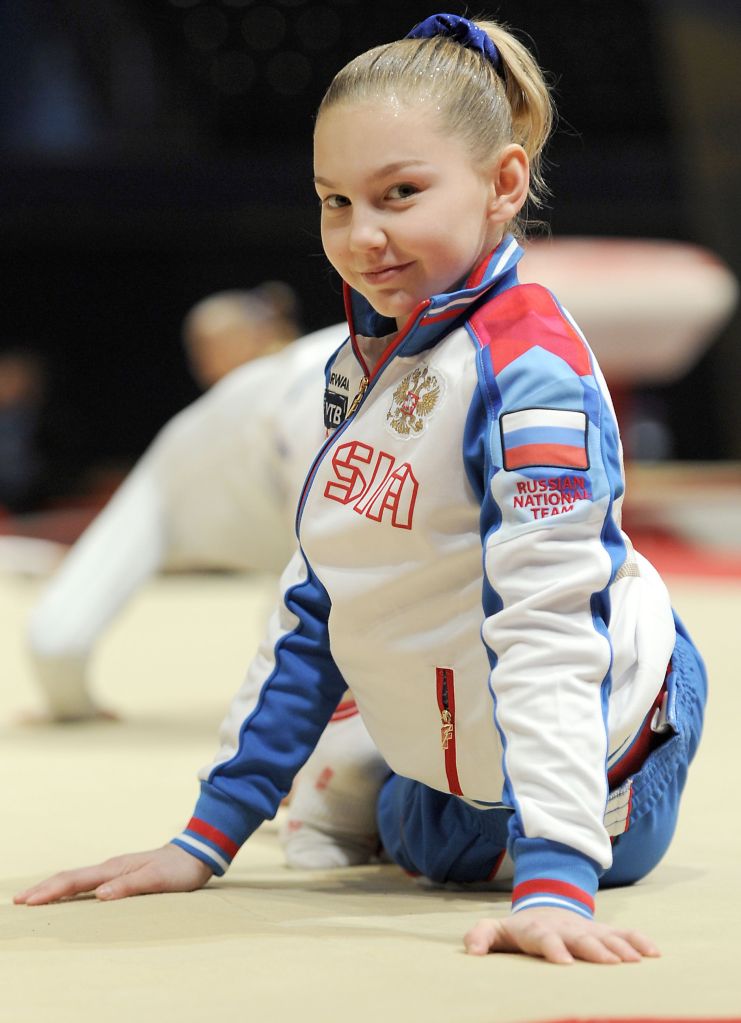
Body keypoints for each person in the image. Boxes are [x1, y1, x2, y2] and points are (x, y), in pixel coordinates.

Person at [15, 14, 707, 966]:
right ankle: (397, 777)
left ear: (504, 184)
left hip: (612, 738)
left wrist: (555, 880)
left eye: (400, 194)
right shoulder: (362, 358)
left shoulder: (529, 375)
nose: (361, 235)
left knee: (435, 846)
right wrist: (203, 838)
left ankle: (481, 802)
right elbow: (319, 596)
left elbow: (550, 626)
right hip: (465, 740)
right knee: (409, 815)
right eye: (334, 201)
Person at [23, 320, 346, 721]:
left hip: (285, 485)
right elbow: (56, 644)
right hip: (211, 471)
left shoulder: (347, 360)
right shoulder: (317, 387)